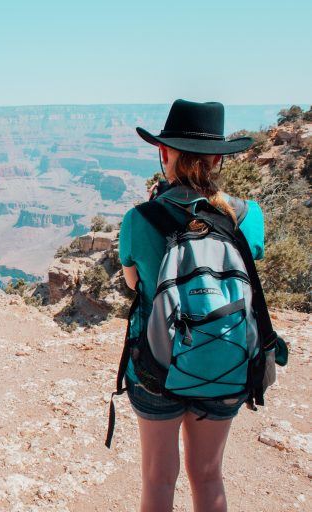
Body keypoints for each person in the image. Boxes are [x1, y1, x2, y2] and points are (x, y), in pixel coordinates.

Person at [118, 100, 264, 512]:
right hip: (226, 360)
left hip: (155, 367)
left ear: (163, 153)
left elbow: (135, 285)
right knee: (208, 475)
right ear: (217, 158)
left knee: (159, 478)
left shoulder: (140, 218)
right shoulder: (249, 216)